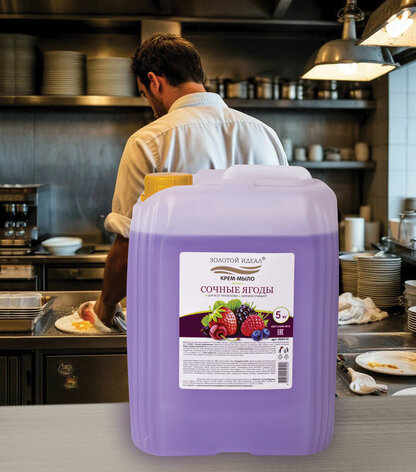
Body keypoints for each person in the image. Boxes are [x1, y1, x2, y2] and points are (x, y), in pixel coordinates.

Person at [83, 33, 287, 327]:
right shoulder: (266, 135)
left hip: (179, 315)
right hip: (257, 310)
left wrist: (105, 306)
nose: (149, 103)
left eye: (144, 93)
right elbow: (285, 231)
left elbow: (129, 247)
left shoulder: (148, 141)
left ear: (154, 82)